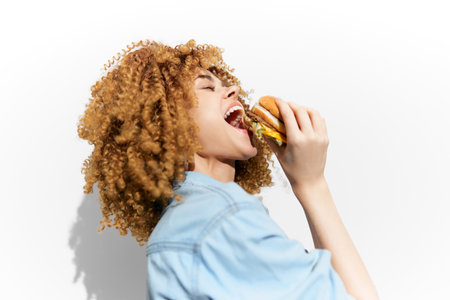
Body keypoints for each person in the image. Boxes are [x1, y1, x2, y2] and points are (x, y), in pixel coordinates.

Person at [77, 39, 379, 299]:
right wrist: (312, 185)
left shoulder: (184, 222)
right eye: (207, 87)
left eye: (226, 83)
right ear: (166, 125)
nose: (233, 90)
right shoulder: (223, 216)